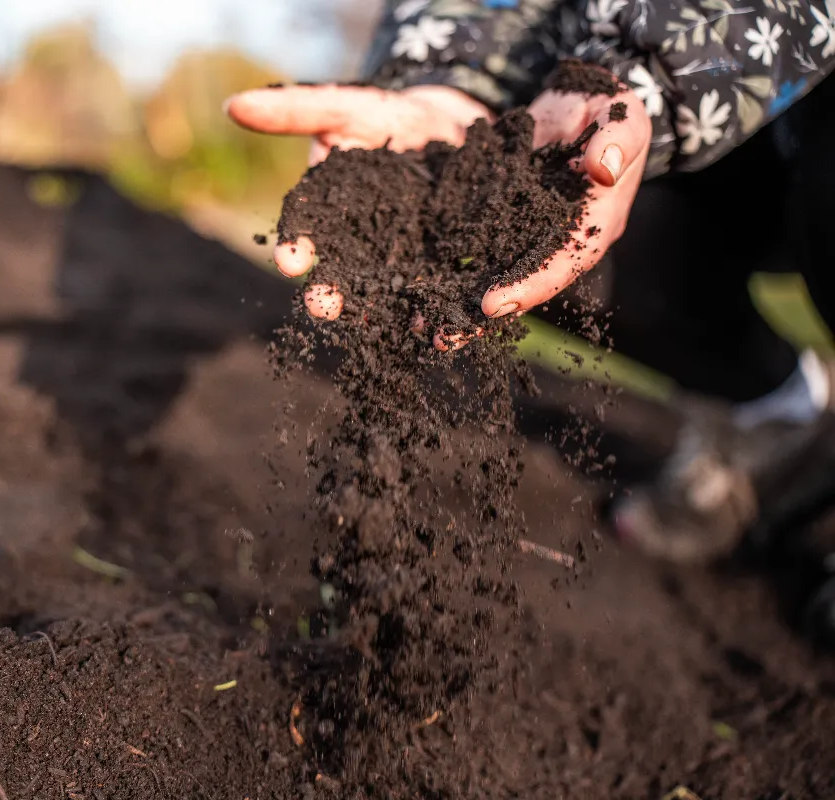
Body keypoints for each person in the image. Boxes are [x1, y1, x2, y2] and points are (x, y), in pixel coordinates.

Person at [225, 0, 835, 563]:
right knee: (541, 236)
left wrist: (653, 72)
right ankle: (771, 412)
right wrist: (455, 77)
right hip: (691, 131)